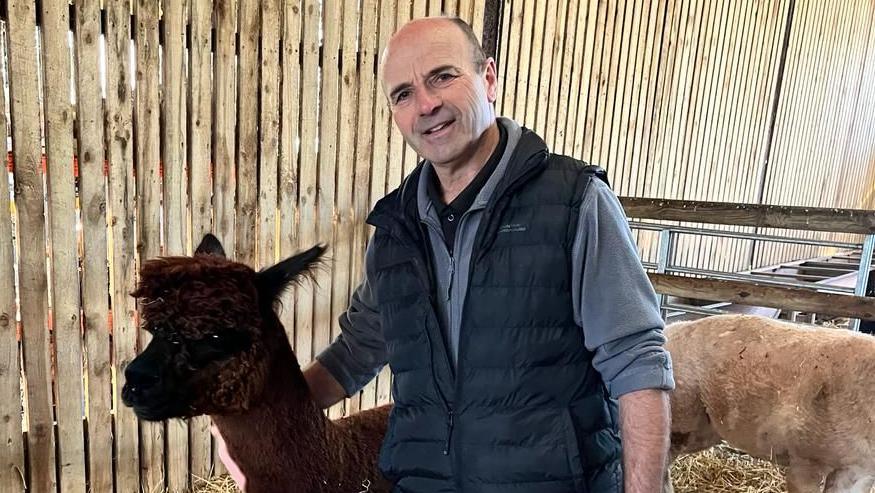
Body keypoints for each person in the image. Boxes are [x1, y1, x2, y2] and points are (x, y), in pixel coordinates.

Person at [222, 15, 675, 493]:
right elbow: (356, 353)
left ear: (489, 79)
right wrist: (256, 416)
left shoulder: (573, 203)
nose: (426, 105)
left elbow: (636, 360)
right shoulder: (395, 230)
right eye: (403, 94)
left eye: (442, 76)